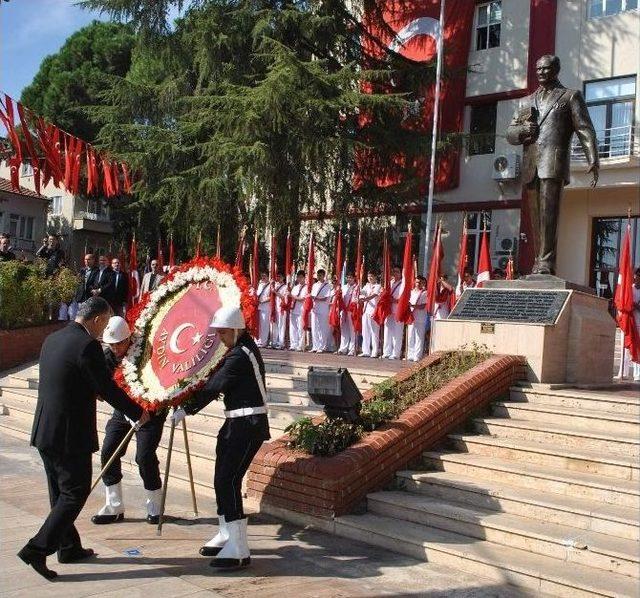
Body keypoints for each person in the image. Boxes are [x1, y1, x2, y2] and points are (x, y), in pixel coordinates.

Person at [18, 297, 148, 580]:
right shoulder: (87, 346)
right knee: (74, 494)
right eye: (105, 324)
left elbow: (71, 380)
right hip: (69, 434)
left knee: (59, 493)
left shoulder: (53, 339)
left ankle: (69, 547)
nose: (104, 333)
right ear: (98, 319)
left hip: (45, 430)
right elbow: (107, 388)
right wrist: (138, 413)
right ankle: (37, 549)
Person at [171, 305, 270, 570]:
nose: (220, 338)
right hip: (235, 423)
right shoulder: (238, 349)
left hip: (247, 424)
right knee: (221, 479)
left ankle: (239, 548)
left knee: (229, 479)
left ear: (235, 329)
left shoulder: (240, 354)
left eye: (223, 333)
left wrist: (186, 407)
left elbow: (216, 384)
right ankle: (227, 532)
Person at [507, 54, 599, 275]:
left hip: (553, 163)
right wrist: (522, 132)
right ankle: (538, 260)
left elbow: (584, 128)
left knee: (550, 215)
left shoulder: (569, 96)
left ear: (556, 69)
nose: (541, 73)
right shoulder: (526, 101)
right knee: (536, 217)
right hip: (531, 166)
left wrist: (593, 158)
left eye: (546, 69)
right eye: (538, 69)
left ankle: (546, 263)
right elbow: (510, 133)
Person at [92, 317, 167, 525]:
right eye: (112, 344)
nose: (116, 348)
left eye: (120, 343)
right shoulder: (107, 357)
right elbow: (101, 388)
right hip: (123, 410)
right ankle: (114, 505)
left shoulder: (146, 352)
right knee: (108, 451)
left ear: (129, 338)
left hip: (150, 410)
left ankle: (154, 505)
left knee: (144, 456)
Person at [382, 266, 404, 360]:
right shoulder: (389, 283)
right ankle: (386, 352)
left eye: (397, 272)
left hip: (398, 310)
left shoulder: (403, 284)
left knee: (397, 332)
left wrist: (393, 300)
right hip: (388, 310)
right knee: (388, 331)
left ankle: (396, 353)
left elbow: (403, 298)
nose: (395, 273)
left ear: (400, 273)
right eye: (394, 271)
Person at [360, 272, 381, 357]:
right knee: (365, 331)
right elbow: (362, 295)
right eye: (368, 276)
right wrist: (360, 299)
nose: (370, 278)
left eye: (372, 276)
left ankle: (375, 351)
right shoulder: (366, 286)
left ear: (375, 277)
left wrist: (366, 298)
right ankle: (366, 351)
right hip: (365, 311)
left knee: (374, 332)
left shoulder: (378, 286)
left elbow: (374, 295)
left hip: (374, 311)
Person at [310, 268, 331, 353]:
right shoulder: (315, 285)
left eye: (320, 275)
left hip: (323, 309)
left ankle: (322, 346)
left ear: (324, 276)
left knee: (322, 328)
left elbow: (325, 298)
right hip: (315, 309)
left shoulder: (327, 285)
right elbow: (312, 295)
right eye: (318, 275)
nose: (319, 277)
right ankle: (315, 346)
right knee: (314, 328)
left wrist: (315, 298)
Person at [407, 276, 428, 362]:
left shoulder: (425, 293)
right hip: (411, 317)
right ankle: (410, 354)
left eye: (420, 282)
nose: (418, 284)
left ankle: (417, 355)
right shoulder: (411, 292)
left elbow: (423, 305)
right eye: (417, 282)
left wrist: (412, 306)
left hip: (420, 317)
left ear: (423, 283)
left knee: (419, 337)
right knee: (411, 336)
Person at [338, 273, 357, 355]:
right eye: (347, 277)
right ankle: (343, 348)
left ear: (354, 278)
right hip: (344, 310)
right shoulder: (344, 287)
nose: (349, 279)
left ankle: (352, 349)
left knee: (352, 330)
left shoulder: (357, 287)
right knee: (344, 329)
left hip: (352, 310)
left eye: (350, 277)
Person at [288, 270, 307, 351]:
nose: (299, 279)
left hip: (301, 310)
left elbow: (302, 299)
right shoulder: (295, 287)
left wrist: (291, 296)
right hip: (293, 309)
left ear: (304, 278)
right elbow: (291, 298)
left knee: (300, 328)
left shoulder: (306, 287)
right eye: (298, 277)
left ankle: (300, 345)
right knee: (293, 328)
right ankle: (293, 344)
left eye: (301, 277)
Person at [271, 273, 288, 349]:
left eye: (280, 276)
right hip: (275, 308)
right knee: (275, 325)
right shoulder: (275, 285)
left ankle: (281, 343)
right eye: (277, 276)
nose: (278, 278)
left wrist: (275, 292)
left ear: (283, 278)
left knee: (281, 325)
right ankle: (274, 342)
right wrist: (271, 284)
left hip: (282, 308)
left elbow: (283, 297)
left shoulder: (285, 286)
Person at [255, 272, 272, 347]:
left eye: (265, 276)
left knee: (265, 325)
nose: (263, 277)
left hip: (266, 307)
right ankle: (258, 340)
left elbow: (271, 297)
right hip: (259, 307)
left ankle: (264, 341)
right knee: (259, 324)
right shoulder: (260, 285)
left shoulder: (270, 285)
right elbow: (257, 294)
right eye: (262, 276)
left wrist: (263, 301)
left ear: (268, 277)